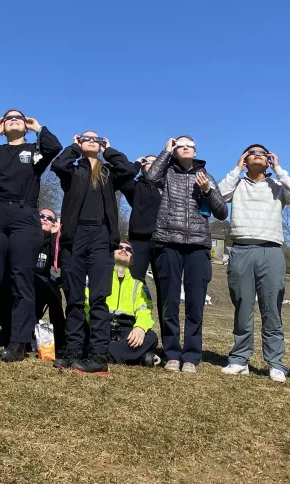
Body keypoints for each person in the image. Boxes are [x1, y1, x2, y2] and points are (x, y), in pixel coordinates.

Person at [0, 110, 61, 362]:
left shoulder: (34, 151)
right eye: (8, 117)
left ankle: (18, 342)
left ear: (26, 124)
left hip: (25, 215)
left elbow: (54, 147)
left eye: (18, 117)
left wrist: (38, 127)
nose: (13, 118)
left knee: (22, 280)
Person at [217, 145, 290, 383]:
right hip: (242, 249)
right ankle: (239, 359)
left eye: (262, 153)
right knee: (243, 306)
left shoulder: (277, 186)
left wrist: (279, 169)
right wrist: (236, 168)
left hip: (271, 250)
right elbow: (219, 196)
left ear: (269, 160)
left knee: (272, 308)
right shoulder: (237, 184)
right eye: (251, 152)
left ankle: (276, 363)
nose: (257, 154)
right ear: (244, 159)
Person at [51, 132, 135, 374]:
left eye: (95, 138)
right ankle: (74, 350)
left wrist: (109, 151)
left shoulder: (108, 173)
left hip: (101, 236)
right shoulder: (72, 171)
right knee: (75, 298)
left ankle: (98, 355)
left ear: (101, 144)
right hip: (74, 237)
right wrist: (74, 147)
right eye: (85, 137)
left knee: (98, 298)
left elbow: (129, 170)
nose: (90, 140)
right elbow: (58, 164)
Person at [144, 136, 228, 373]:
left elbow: (222, 212)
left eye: (189, 145)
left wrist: (207, 190)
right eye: (180, 145)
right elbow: (150, 177)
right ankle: (171, 353)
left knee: (195, 304)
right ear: (174, 149)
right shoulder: (166, 173)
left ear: (195, 150)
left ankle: (191, 356)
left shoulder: (206, 176)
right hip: (169, 241)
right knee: (169, 301)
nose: (185, 148)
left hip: (198, 245)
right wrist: (165, 152)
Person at [119, 154, 167, 344]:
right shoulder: (135, 187)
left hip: (164, 241)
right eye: (146, 161)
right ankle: (127, 334)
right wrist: (136, 164)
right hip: (138, 242)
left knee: (165, 293)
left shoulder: (167, 187)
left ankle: (168, 344)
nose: (150, 164)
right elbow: (122, 179)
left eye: (154, 161)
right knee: (132, 287)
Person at [87, 242, 159, 366]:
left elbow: (145, 310)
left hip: (126, 329)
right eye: (119, 247)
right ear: (111, 254)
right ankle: (135, 356)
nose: (123, 250)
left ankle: (106, 353)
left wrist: (140, 328)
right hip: (100, 323)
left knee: (151, 337)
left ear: (132, 260)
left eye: (128, 249)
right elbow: (86, 303)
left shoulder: (139, 285)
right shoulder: (98, 278)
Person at [34, 208, 66, 356]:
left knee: (54, 294)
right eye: (41, 216)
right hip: (24, 280)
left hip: (43, 284)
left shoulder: (53, 242)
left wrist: (54, 237)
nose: (45, 219)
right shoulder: (27, 236)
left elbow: (56, 261)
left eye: (50, 218)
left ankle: (60, 342)